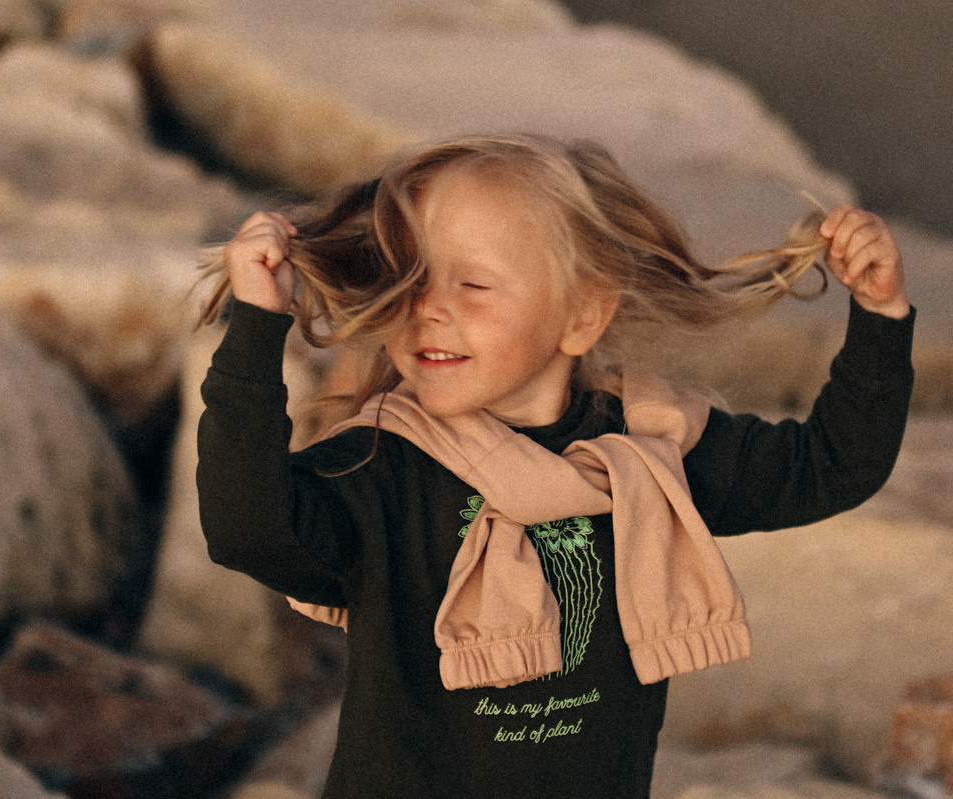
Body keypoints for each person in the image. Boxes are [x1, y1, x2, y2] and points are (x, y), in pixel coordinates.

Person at [195, 134, 914, 797]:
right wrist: (258, 330)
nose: (428, 309)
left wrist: (879, 317)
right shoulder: (382, 463)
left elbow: (829, 467)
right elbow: (247, 529)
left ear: (581, 315)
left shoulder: (650, 452)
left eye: (471, 285)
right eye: (409, 279)